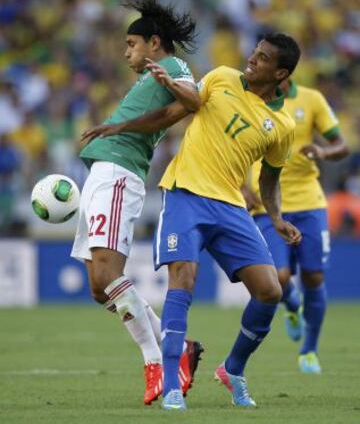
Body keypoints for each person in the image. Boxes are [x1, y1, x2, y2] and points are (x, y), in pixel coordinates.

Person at [82, 32, 302, 410]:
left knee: (270, 292)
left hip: (231, 207)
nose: (252, 58)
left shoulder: (281, 126)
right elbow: (182, 107)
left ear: (280, 72)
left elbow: (270, 177)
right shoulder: (220, 77)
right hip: (185, 193)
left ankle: (232, 369)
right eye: (255, 51)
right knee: (183, 279)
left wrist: (277, 217)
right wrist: (125, 123)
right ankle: (171, 383)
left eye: (263, 58)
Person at [71, 0, 204, 405]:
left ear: (154, 43)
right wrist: (120, 126)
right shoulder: (150, 78)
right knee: (99, 286)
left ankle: (157, 362)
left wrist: (122, 126)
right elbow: (164, 116)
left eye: (132, 44)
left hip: (119, 172)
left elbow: (192, 103)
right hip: (101, 172)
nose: (127, 52)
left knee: (109, 275)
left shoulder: (174, 66)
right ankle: (175, 349)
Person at [248, 79, 349, 373]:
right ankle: (293, 307)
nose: (256, 67)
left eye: (264, 61)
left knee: (314, 276)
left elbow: (340, 144)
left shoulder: (311, 99)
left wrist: (324, 152)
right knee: (278, 276)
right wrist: (242, 185)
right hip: (267, 204)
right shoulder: (249, 101)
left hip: (308, 202)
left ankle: (309, 351)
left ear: (283, 70)